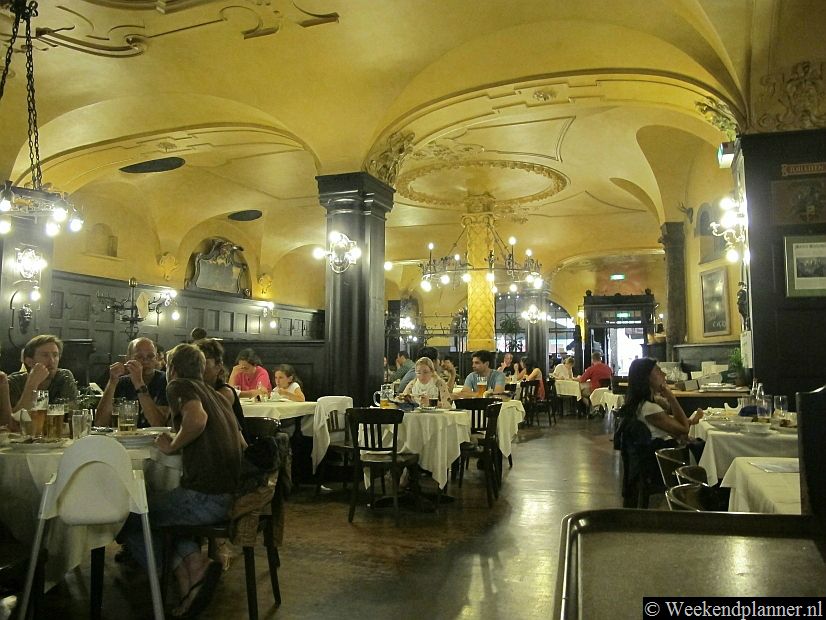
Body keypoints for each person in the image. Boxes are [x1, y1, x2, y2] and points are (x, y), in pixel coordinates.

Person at [124, 343, 245, 618]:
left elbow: (197, 419)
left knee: (130, 518)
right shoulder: (214, 394)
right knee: (162, 518)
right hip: (226, 495)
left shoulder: (178, 386)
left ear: (172, 368)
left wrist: (173, 445)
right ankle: (193, 570)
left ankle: (179, 574)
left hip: (205, 498)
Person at [618, 357, 703, 445]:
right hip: (657, 454)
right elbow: (684, 429)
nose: (664, 374)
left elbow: (671, 426)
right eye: (658, 371)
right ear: (647, 377)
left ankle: (690, 421)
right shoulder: (650, 408)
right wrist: (671, 397)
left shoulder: (639, 404)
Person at [95, 337, 169, 428]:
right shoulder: (121, 383)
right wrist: (112, 382)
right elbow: (100, 423)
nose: (145, 361)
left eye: (150, 356)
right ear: (128, 359)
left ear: (157, 358)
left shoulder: (165, 381)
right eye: (139, 357)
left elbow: (159, 424)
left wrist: (139, 384)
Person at [8, 335, 78, 412]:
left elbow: (72, 412)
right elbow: (15, 419)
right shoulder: (13, 382)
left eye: (55, 355)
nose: (52, 361)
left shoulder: (64, 376)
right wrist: (32, 383)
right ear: (29, 361)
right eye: (45, 355)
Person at [194, 338, 244, 437]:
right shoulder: (196, 389)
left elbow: (200, 423)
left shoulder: (225, 393)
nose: (198, 368)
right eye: (195, 363)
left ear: (218, 366)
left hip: (232, 447)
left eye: (204, 363)